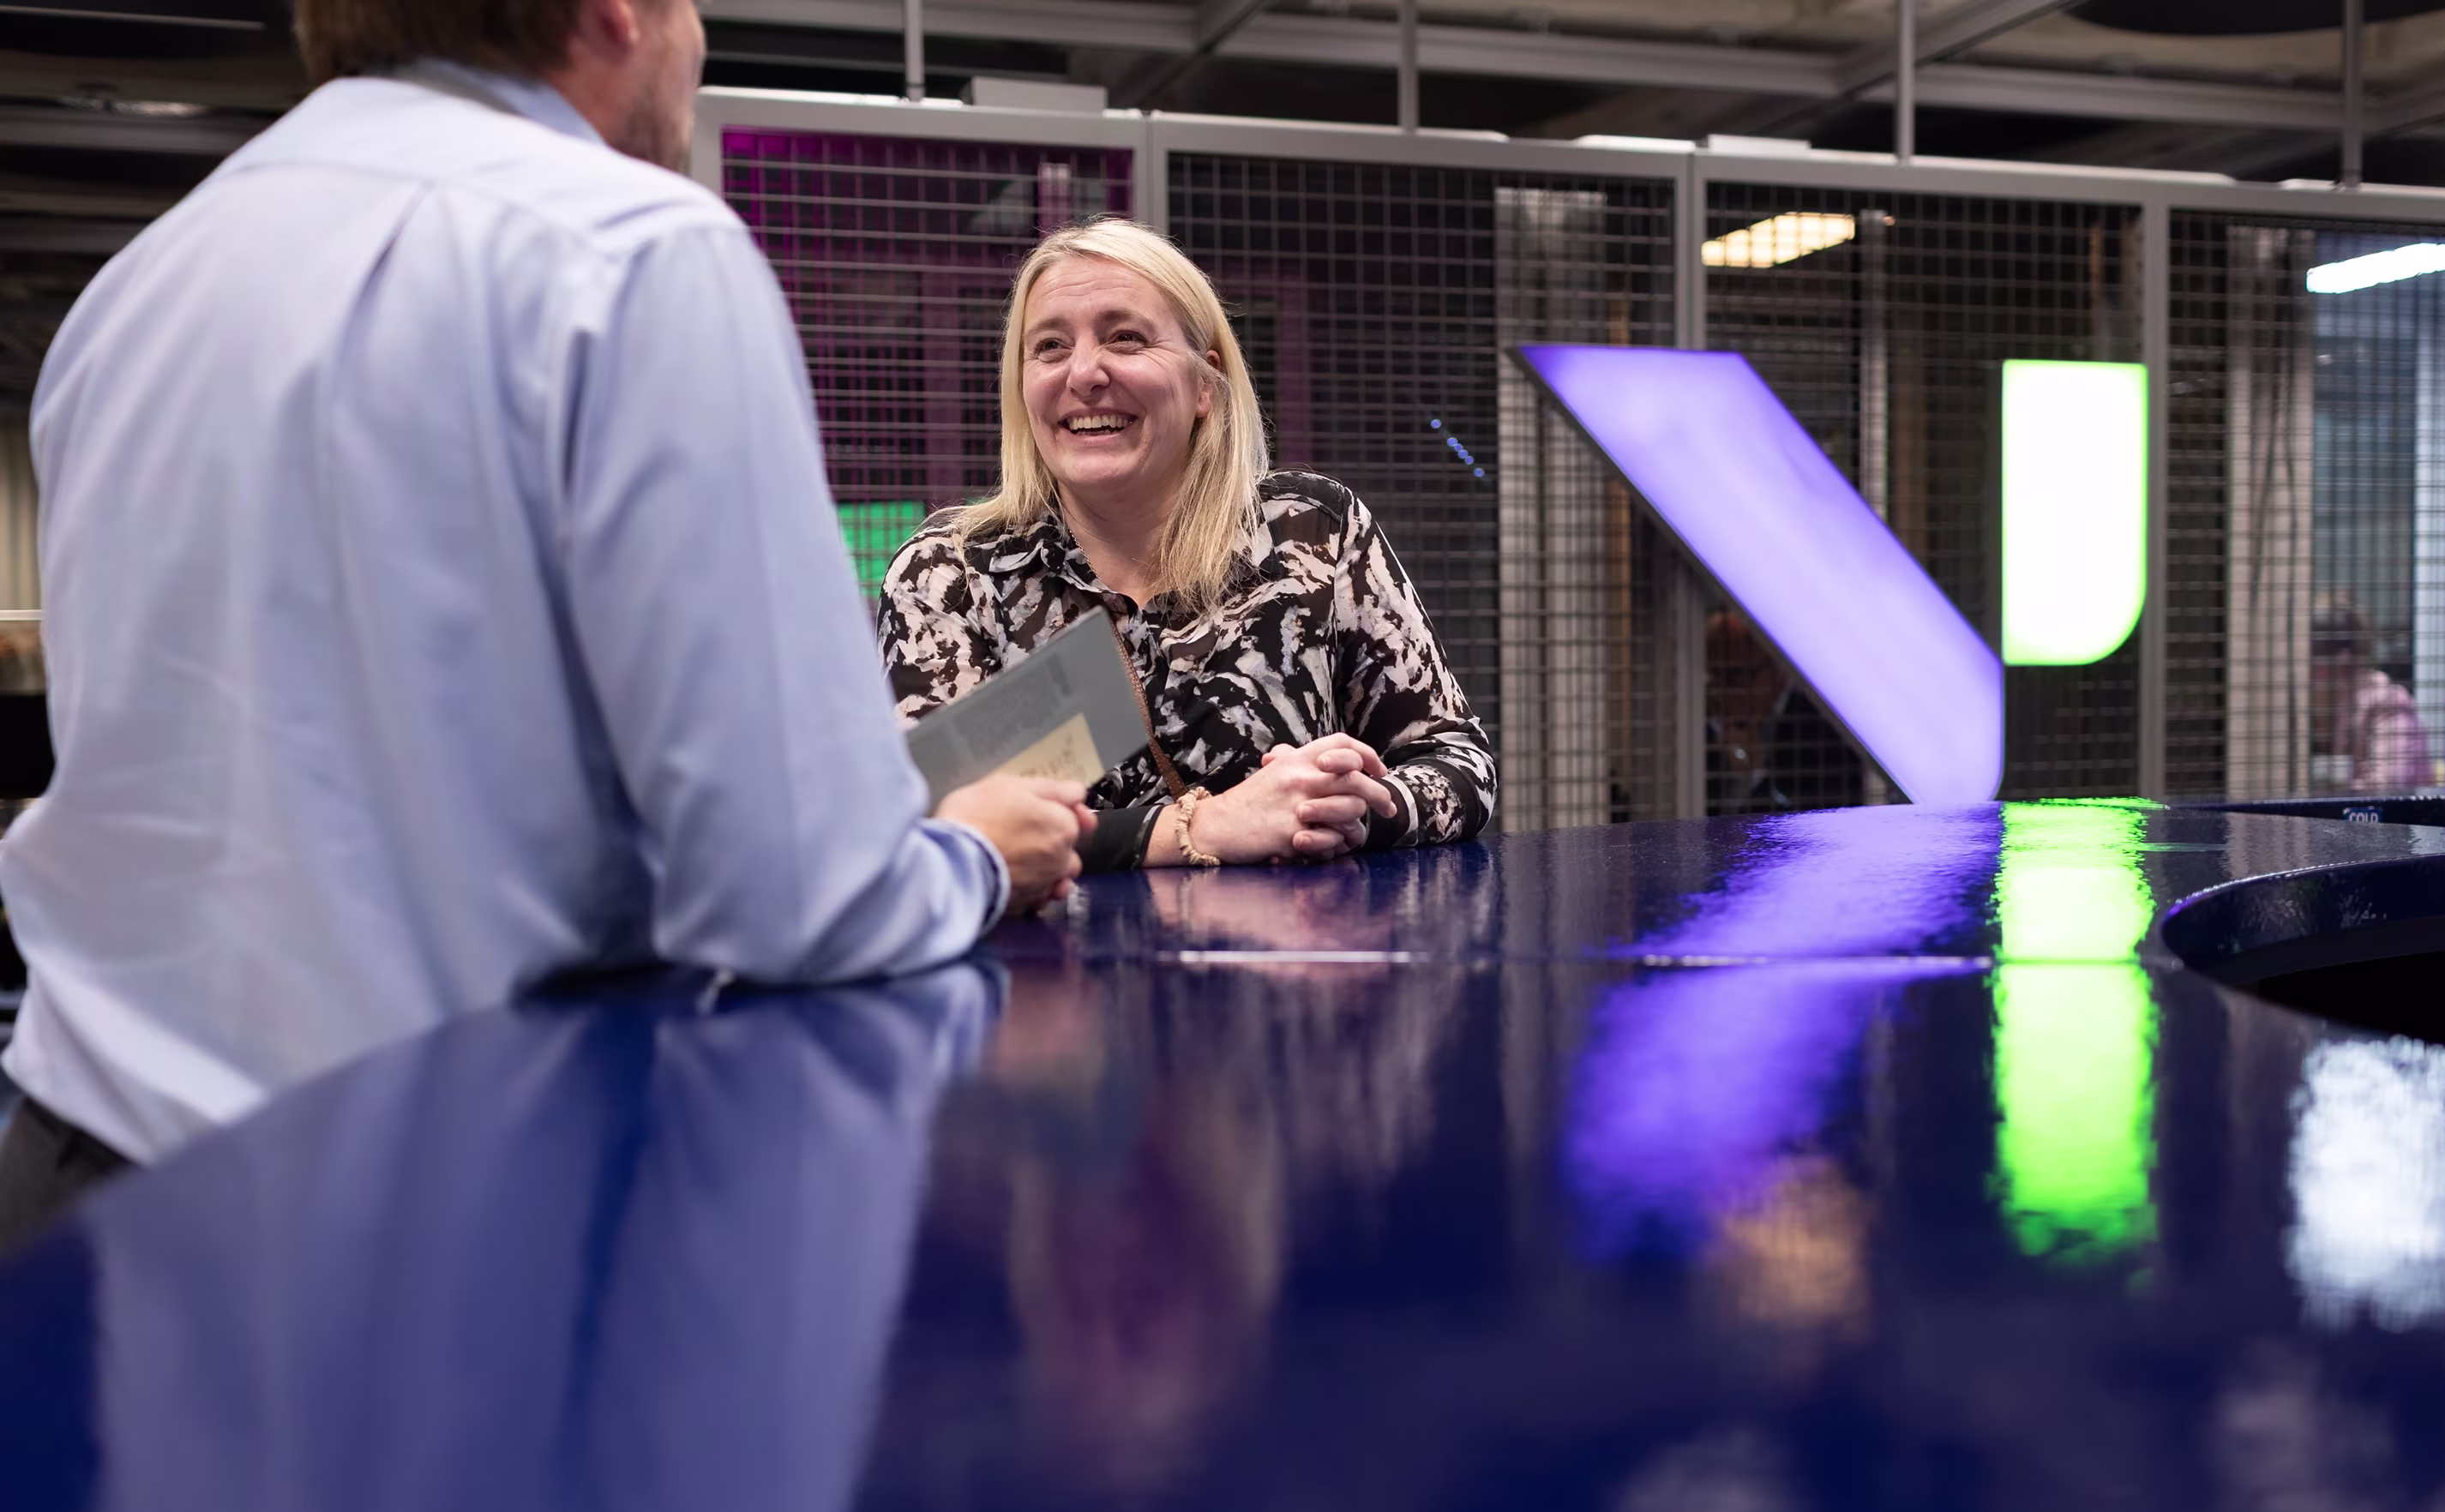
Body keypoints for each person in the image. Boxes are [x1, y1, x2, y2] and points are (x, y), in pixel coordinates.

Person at [0, 0, 1091, 1239]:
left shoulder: (136, 289)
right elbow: (802, 899)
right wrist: (973, 855)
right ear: (616, 12)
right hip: (401, 1206)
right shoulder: (629, 250)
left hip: (76, 1179)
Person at [874, 217, 1496, 870]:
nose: (1084, 373)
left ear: (1205, 383)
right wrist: (1206, 828)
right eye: (1050, 347)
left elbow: (1457, 760)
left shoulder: (1312, 530)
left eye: (1125, 338)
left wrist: (1341, 807)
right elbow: (934, 824)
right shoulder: (950, 573)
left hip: (1297, 934)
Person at [2312, 603, 2432, 795]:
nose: (2344, 657)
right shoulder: (2296, 707)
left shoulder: (2387, 700)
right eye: (2327, 648)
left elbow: (2391, 785)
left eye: (2349, 645)